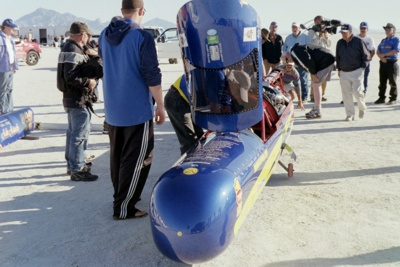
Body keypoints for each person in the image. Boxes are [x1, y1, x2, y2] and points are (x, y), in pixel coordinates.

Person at [98, 0, 166, 220]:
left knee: (118, 157)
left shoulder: (103, 35)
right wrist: (161, 106)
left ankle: (120, 198)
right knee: (139, 159)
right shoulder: (142, 36)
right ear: (141, 11)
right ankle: (124, 207)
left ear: (121, 11)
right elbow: (152, 76)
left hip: (113, 109)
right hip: (136, 110)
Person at [57, 21, 99, 181]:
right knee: (78, 135)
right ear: (82, 35)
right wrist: (89, 82)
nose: (88, 39)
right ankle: (77, 169)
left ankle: (72, 165)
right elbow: (71, 76)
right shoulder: (74, 49)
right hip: (77, 99)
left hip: (70, 98)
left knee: (73, 133)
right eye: (87, 35)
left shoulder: (67, 47)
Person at [290, 43, 335, 119]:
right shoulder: (300, 48)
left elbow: (307, 61)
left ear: (287, 57)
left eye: (286, 60)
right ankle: (316, 107)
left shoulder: (294, 52)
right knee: (316, 84)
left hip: (326, 60)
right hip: (328, 57)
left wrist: (313, 73)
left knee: (316, 84)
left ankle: (317, 110)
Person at [336, 24, 370, 121]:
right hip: (344, 72)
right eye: (342, 33)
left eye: (345, 33)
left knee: (357, 91)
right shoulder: (340, 43)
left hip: (357, 71)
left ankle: (362, 108)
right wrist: (339, 69)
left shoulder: (358, 41)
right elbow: (338, 57)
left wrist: (363, 68)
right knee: (346, 94)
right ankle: (350, 114)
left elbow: (366, 55)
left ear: (350, 32)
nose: (343, 35)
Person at [164, 75, 204, 155]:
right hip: (177, 99)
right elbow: (215, 106)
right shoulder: (219, 75)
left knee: (200, 136)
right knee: (190, 142)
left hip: (189, 100)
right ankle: (189, 165)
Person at [283, 22, 311, 103]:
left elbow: (309, 49)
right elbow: (285, 49)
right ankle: (294, 97)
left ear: (299, 28)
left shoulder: (305, 37)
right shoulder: (288, 38)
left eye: (296, 27)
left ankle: (304, 98)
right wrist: (286, 59)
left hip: (303, 63)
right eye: (293, 27)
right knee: (294, 80)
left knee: (304, 80)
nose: (294, 29)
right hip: (292, 64)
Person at [308, 15, 331, 102]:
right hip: (315, 58)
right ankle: (313, 96)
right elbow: (314, 44)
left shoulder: (324, 31)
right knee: (315, 77)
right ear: (316, 22)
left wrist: (325, 36)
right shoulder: (311, 32)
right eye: (321, 22)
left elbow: (328, 44)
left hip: (324, 58)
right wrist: (320, 35)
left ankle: (321, 95)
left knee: (324, 78)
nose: (322, 24)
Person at [375, 23, 399, 105]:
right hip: (383, 63)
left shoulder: (396, 40)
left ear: (393, 30)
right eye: (386, 29)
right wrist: (381, 57)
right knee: (382, 81)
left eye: (389, 29)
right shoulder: (383, 40)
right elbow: (378, 50)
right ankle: (381, 97)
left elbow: (395, 50)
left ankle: (393, 98)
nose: (387, 30)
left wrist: (384, 55)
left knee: (392, 82)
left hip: (391, 63)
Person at [0, 19, 19, 115]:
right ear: (5, 28)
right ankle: (3, 111)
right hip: (3, 69)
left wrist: (15, 66)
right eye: (11, 27)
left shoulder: (10, 38)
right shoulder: (0, 38)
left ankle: (10, 110)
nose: (13, 28)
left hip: (10, 67)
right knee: (3, 90)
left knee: (10, 89)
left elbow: (13, 53)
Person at [356, 22, 376, 95]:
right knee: (355, 78)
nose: (362, 30)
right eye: (361, 28)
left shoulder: (369, 39)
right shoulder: (356, 38)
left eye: (364, 28)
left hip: (365, 62)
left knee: (365, 77)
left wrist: (368, 60)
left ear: (367, 29)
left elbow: (373, 51)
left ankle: (364, 91)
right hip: (356, 62)